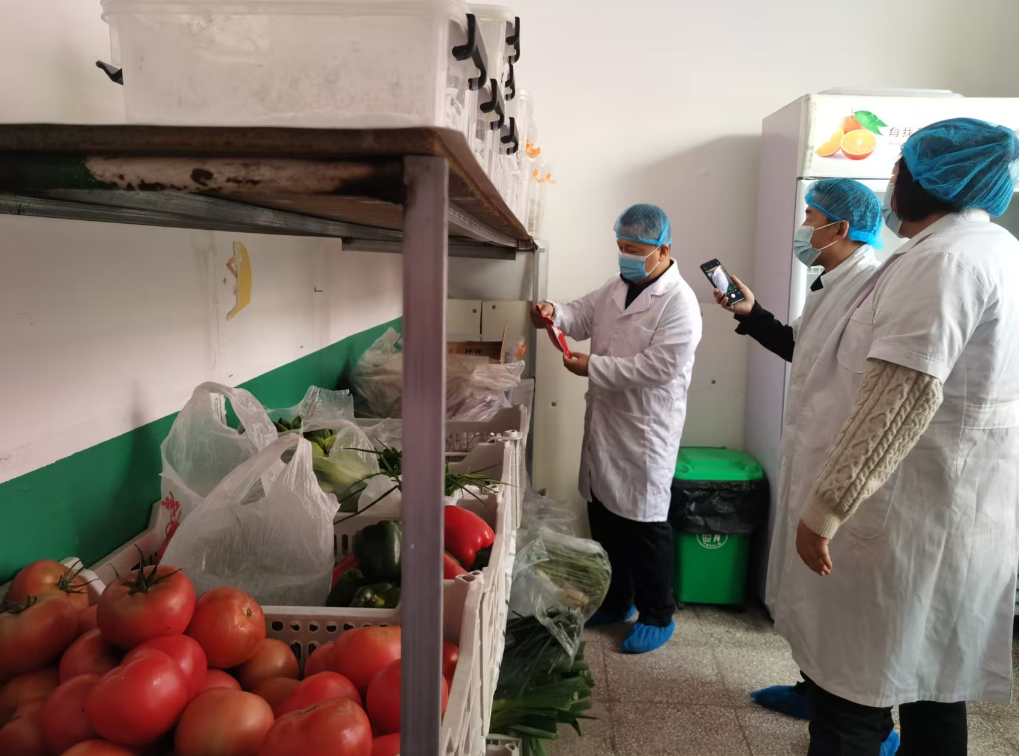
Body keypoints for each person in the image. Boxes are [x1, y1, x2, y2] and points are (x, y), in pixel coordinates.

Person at [775, 117, 1019, 756]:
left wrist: (827, 507)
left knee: (851, 696)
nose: (890, 181)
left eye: (900, 168)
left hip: (901, 517)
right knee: (930, 690)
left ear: (933, 181)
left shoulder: (943, 262)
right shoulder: (991, 249)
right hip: (948, 512)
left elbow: (900, 399)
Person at [715, 179, 897, 754]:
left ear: (840, 228)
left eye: (811, 217)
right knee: (815, 597)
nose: (803, 228)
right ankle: (813, 688)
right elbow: (803, 347)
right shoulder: (830, 280)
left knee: (847, 600)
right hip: (813, 450)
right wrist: (752, 314)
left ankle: (873, 724)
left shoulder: (875, 286)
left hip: (846, 464)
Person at [530, 204, 702, 654]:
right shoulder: (615, 288)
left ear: (663, 250)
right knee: (605, 516)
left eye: (636, 249)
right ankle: (617, 599)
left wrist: (594, 367)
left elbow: (660, 367)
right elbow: (580, 314)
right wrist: (553, 312)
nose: (626, 256)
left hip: (645, 430)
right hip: (606, 423)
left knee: (645, 527)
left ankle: (658, 613)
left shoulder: (680, 303)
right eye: (622, 246)